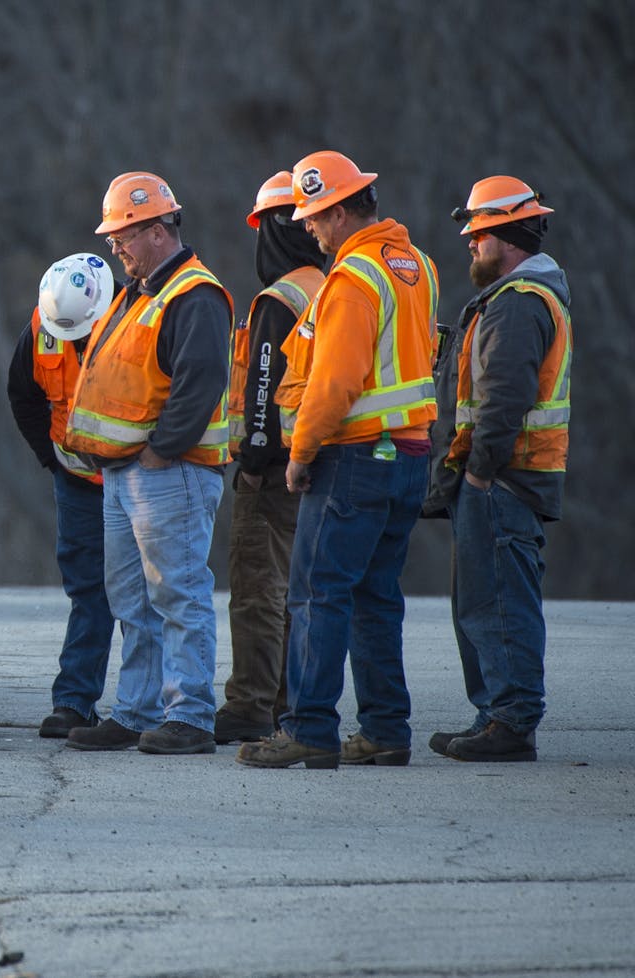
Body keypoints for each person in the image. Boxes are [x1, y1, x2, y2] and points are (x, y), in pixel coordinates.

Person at [237, 151, 439, 770]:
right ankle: (384, 730)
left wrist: (300, 455)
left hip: (354, 458)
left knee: (316, 595)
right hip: (409, 454)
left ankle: (308, 728)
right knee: (377, 596)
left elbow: (335, 382)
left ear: (347, 208)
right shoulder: (416, 266)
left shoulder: (352, 278)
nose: (311, 230)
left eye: (319, 217)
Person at [62, 172, 232, 755]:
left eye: (124, 237)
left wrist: (160, 451)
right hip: (125, 473)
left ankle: (190, 716)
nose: (115, 247)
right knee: (132, 600)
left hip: (168, 472)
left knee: (178, 595)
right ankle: (135, 711)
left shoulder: (194, 293)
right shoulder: (141, 293)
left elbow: (200, 381)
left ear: (157, 231)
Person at [423, 176, 571, 763]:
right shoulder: (517, 299)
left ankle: (510, 720)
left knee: (499, 604)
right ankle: (494, 714)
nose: (470, 247)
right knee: (483, 601)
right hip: (500, 477)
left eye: (478, 236)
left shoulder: (517, 304)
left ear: (506, 238)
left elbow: (504, 398)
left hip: (504, 478)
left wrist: (479, 472)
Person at [214, 172, 327, 745]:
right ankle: (288, 701)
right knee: (297, 591)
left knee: (259, 589)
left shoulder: (279, 299)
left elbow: (264, 387)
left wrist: (255, 459)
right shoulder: (328, 286)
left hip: (274, 469)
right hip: (320, 465)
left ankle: (249, 706)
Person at [7, 253, 118, 738]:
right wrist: (51, 459)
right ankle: (74, 701)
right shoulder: (43, 323)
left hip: (135, 475)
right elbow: (23, 393)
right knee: (88, 592)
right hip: (75, 479)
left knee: (147, 595)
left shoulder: (134, 318)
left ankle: (156, 707)